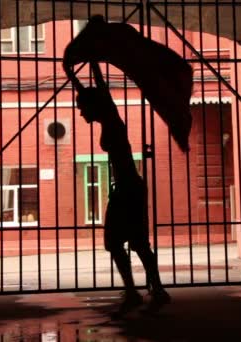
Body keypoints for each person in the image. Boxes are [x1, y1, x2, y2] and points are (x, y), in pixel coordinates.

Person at [72, 62, 171, 317]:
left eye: (81, 108)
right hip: (127, 189)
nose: (81, 113)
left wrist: (93, 63)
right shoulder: (106, 117)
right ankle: (152, 289)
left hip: (128, 190)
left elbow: (101, 90)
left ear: (93, 106)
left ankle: (138, 291)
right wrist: (71, 74)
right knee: (134, 243)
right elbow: (92, 94)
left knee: (122, 242)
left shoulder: (113, 120)